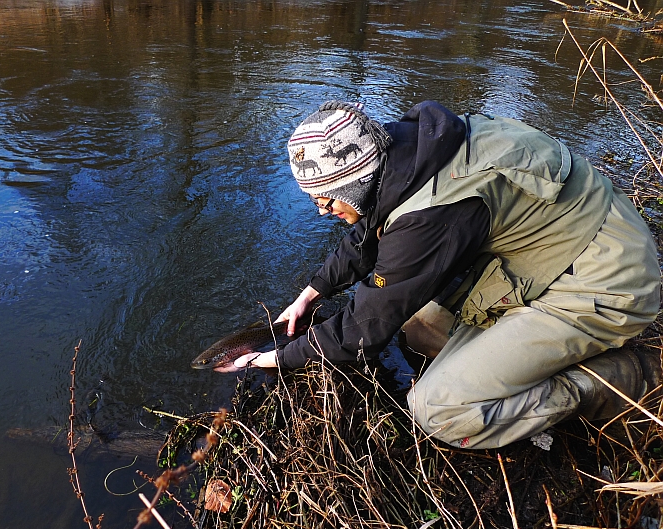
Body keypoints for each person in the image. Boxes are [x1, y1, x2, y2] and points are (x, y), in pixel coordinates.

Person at [222, 100, 661, 449]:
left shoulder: (431, 214)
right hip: (569, 241)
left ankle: (626, 378)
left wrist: (274, 357)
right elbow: (368, 232)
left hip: (607, 280)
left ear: (356, 181)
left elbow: (364, 331)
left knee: (437, 412)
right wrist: (310, 294)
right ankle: (532, 357)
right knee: (418, 328)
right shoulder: (407, 151)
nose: (320, 210)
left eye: (325, 198)